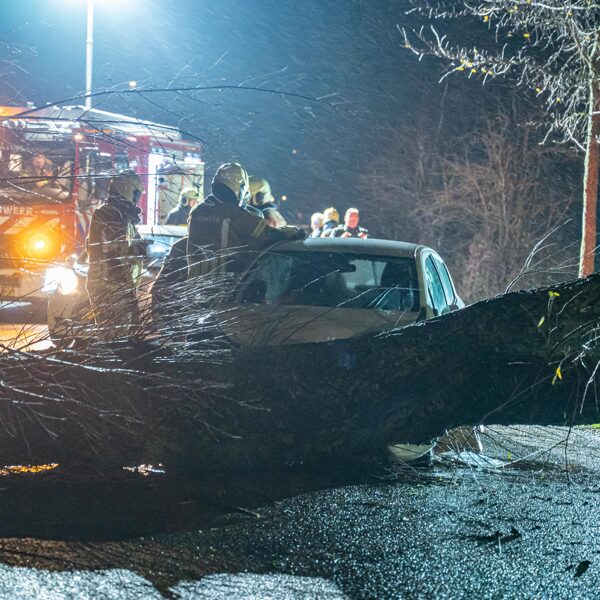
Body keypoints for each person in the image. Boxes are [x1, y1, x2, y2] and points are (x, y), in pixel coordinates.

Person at [187, 162, 304, 278]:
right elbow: (269, 235)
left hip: (193, 285)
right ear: (241, 188)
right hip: (224, 287)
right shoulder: (235, 214)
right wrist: (292, 231)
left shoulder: (197, 210)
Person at [86, 169, 151, 332]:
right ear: (127, 190)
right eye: (136, 194)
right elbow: (113, 252)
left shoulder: (121, 215)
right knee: (114, 338)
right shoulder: (111, 214)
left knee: (119, 337)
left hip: (116, 286)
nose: (137, 199)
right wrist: (138, 248)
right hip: (110, 287)